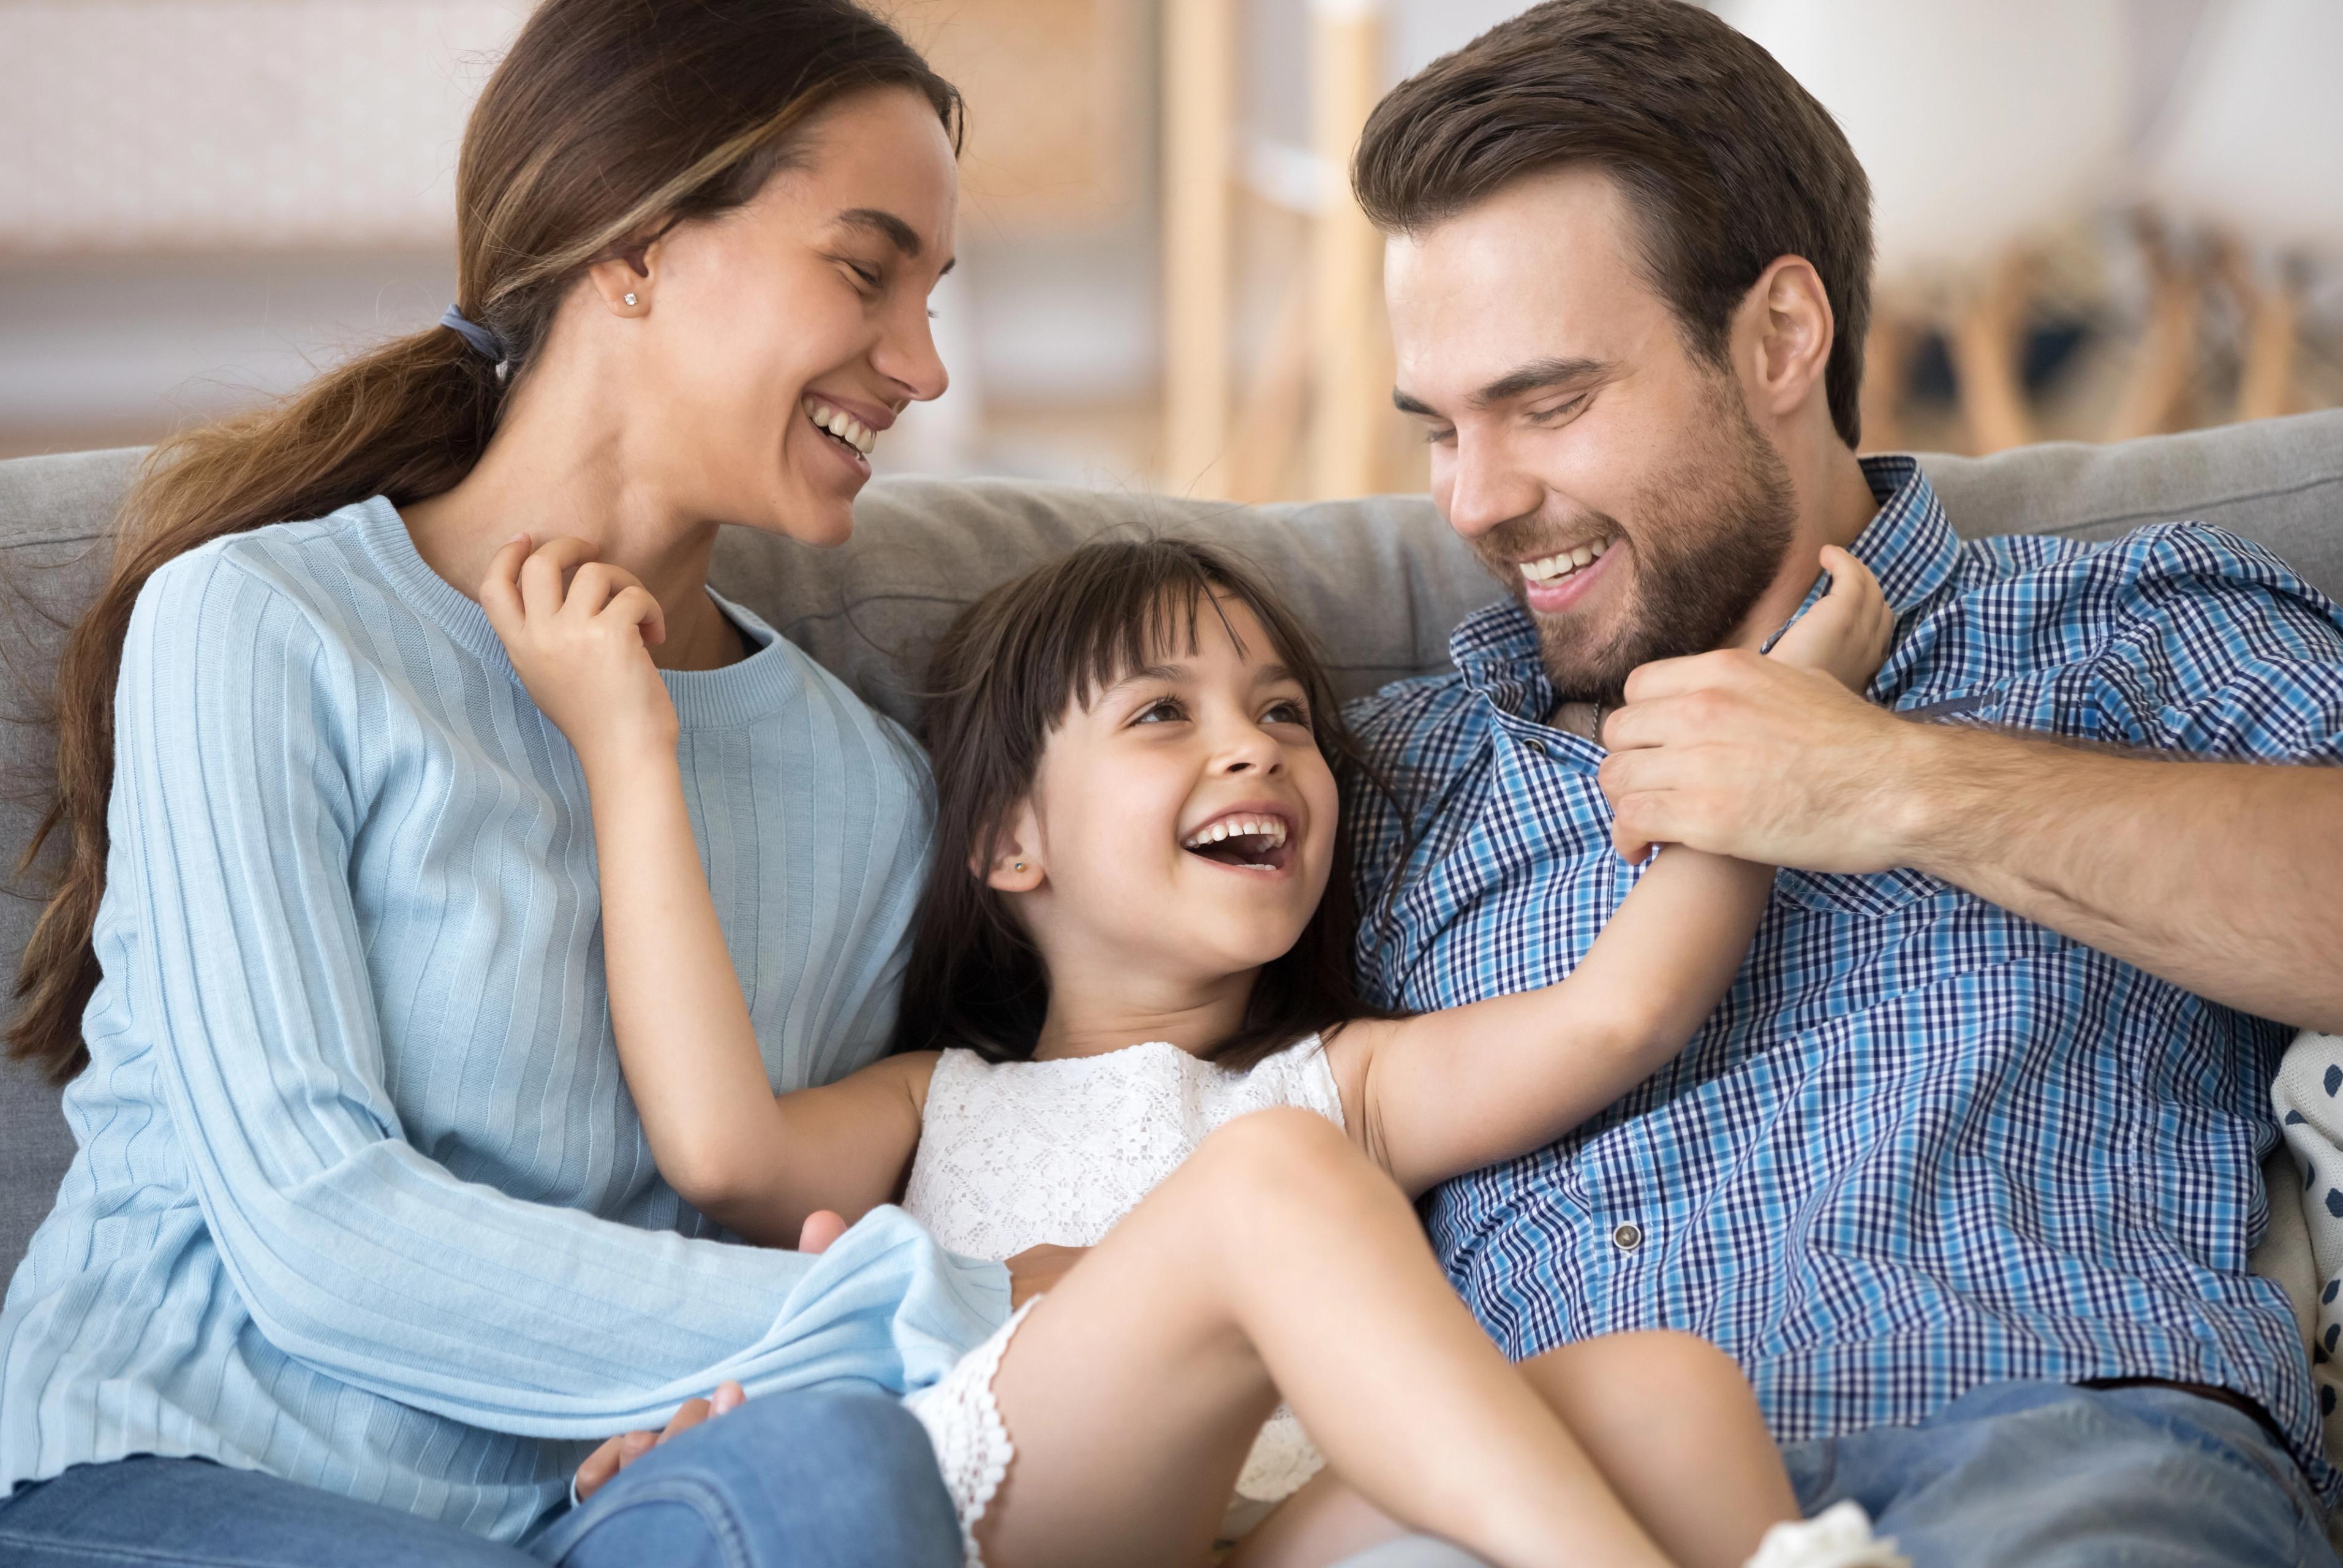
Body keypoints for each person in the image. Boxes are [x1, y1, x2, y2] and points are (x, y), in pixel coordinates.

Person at [0, 2, 1053, 1562]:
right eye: (864, 267)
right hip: (171, 1471)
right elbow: (314, 1231)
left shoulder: (872, 791)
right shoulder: (265, 625)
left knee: (835, 1477)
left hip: (576, 1519)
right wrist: (938, 1311)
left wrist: (722, 1396)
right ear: (630, 244)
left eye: (934, 294)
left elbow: (723, 1229)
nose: (923, 365)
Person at [1338, 4, 2343, 1565]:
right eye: (1441, 429)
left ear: (1782, 339)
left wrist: (1892, 783)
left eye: (1547, 404)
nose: (1479, 499)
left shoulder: (2124, 634)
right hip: (1555, 1501)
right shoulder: (1396, 776)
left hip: (2053, 1451)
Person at [480, 525, 1906, 1568]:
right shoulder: (940, 1100)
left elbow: (1622, 1010)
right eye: (1163, 712)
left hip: (1264, 1540)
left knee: (1661, 1386)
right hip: (1026, 1518)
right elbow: (723, 1149)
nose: (1258, 749)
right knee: (1265, 1179)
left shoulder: (1345, 1081)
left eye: (1285, 712)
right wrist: (628, 746)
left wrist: (1786, 731)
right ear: (1008, 840)